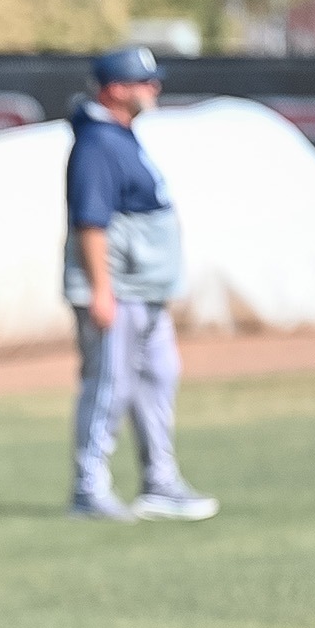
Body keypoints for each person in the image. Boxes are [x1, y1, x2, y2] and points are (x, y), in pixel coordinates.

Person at [64, 46, 218, 522]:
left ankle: (161, 483)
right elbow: (91, 224)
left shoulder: (121, 137)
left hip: (146, 291)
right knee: (109, 388)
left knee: (157, 381)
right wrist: (102, 292)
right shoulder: (96, 145)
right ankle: (89, 489)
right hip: (120, 291)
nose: (154, 89)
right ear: (114, 90)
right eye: (143, 81)